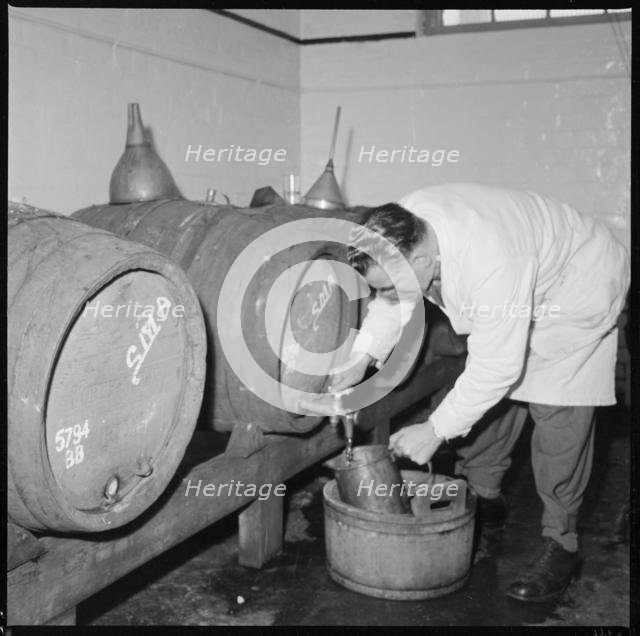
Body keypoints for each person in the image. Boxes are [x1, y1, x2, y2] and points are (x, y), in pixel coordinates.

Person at [309, 182, 630, 602]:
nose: (385, 295)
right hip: (521, 278)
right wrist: (360, 357)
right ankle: (486, 495)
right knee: (491, 394)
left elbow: (497, 366)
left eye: (389, 286)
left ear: (422, 259)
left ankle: (561, 543)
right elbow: (395, 298)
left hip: (576, 284)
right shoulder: (404, 226)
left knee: (555, 407)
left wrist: (435, 430)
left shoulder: (493, 260)